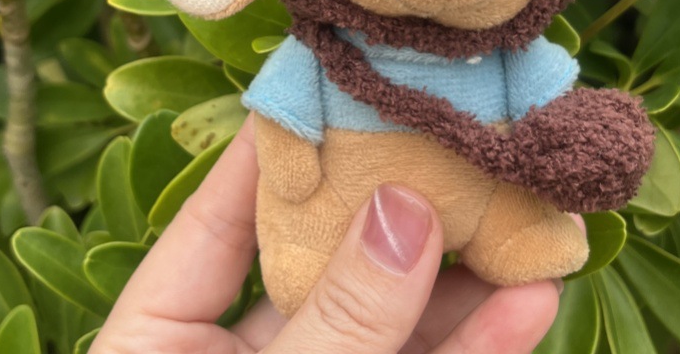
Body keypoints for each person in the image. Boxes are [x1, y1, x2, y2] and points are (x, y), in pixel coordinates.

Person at [92, 115, 572, 353]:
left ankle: (515, 230)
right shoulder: (324, 48)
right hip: (341, 204)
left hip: (480, 192)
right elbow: (283, 108)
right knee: (304, 267)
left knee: (524, 276)